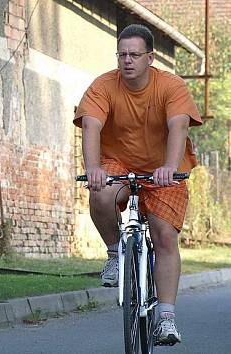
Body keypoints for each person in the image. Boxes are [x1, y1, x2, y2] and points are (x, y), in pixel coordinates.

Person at [73, 24, 202, 346]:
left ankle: (167, 319)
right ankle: (117, 253)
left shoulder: (170, 86)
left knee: (163, 234)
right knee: (100, 194)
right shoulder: (103, 86)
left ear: (150, 57)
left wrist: (170, 167)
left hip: (164, 168)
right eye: (122, 54)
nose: (127, 60)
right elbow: (90, 126)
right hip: (118, 162)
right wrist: (92, 169)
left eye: (134, 54)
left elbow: (179, 125)